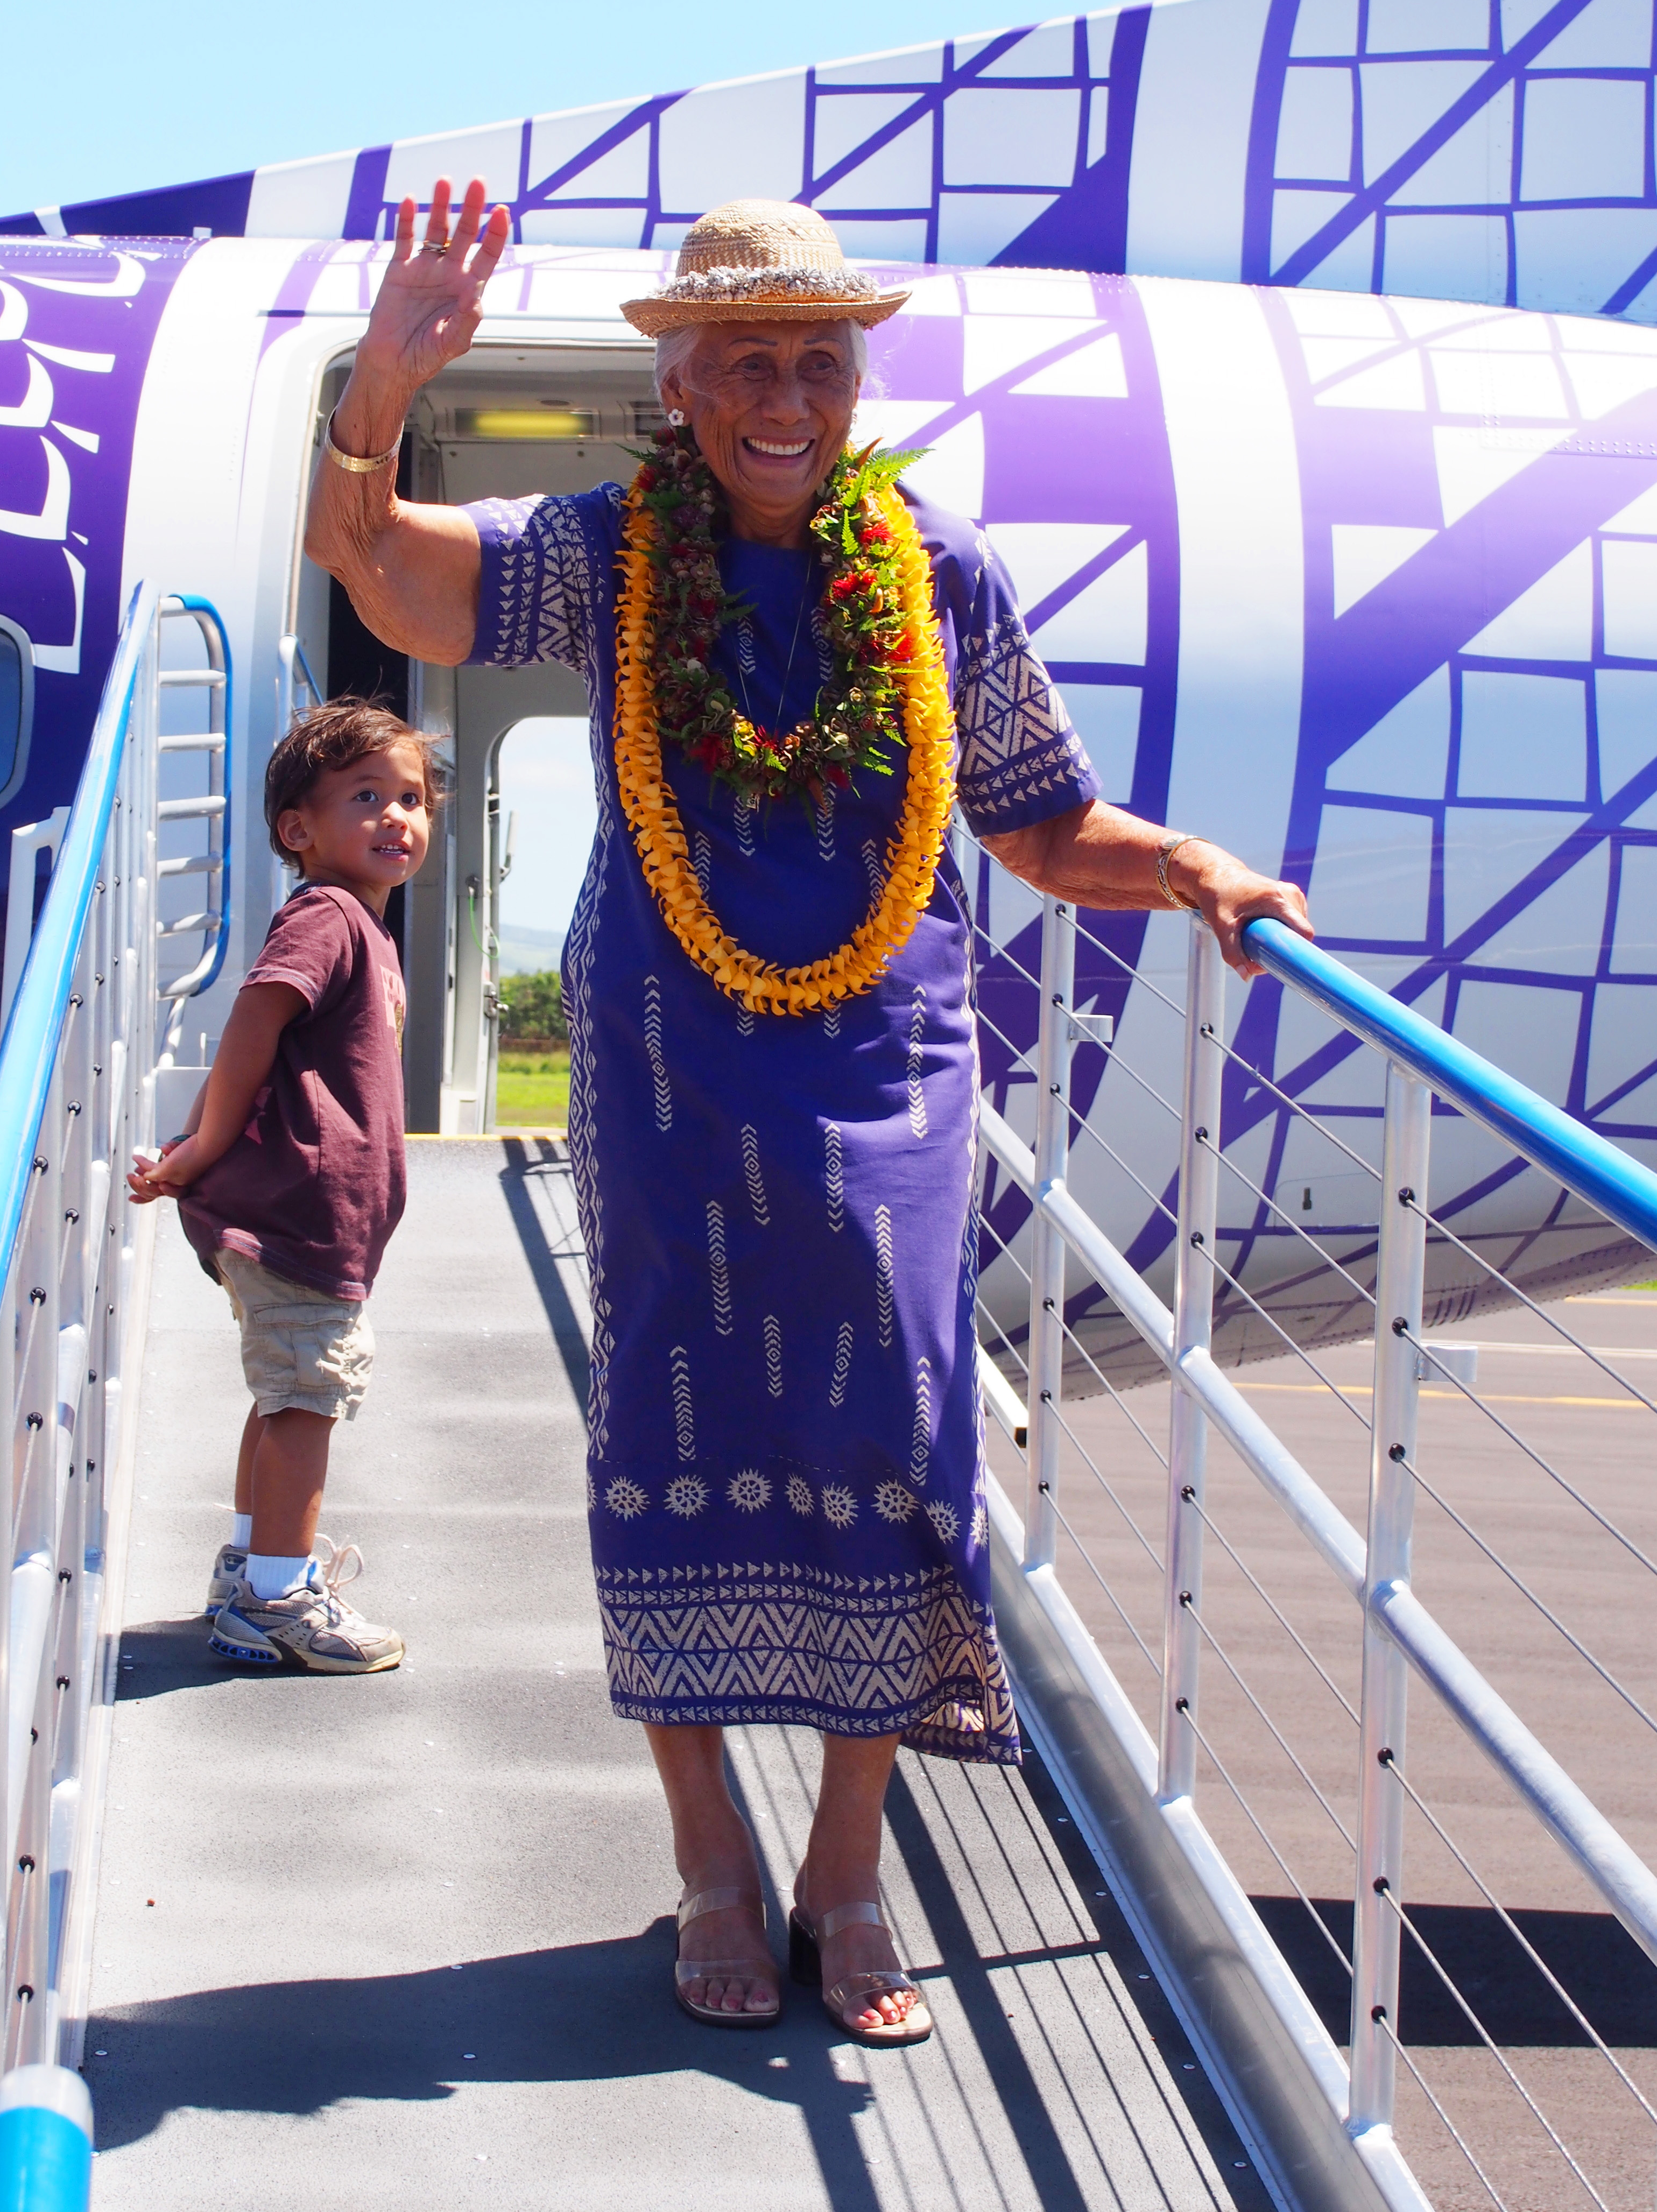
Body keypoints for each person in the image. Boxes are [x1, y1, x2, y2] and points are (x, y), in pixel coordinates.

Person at [306, 184, 1314, 2039]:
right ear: (681, 386)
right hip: (666, 1051)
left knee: (902, 1420)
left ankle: (847, 1862)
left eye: (819, 361)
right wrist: (384, 383)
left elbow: (1035, 824)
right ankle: (711, 1852)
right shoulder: (609, 552)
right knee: (670, 1404)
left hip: (882, 1061)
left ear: (857, 380)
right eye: (748, 361)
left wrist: (1192, 868)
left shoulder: (937, 570)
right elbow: (384, 576)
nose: (786, 396)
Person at [128, 699, 432, 1674]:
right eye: (366, 797)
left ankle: (248, 1570)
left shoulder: (363, 929)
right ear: (298, 830)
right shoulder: (328, 915)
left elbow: (273, 1041)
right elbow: (255, 1019)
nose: (397, 817)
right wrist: (204, 1144)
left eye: (412, 799)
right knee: (307, 1402)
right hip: (297, 1214)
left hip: (311, 1222)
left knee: (283, 1396)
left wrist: (198, 1147)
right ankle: (277, 1601)